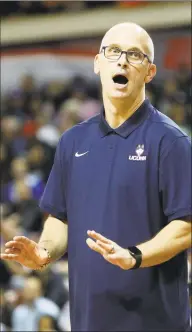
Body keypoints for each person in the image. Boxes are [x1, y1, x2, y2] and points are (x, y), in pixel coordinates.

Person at [1, 22, 191, 331]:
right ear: (97, 63)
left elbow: (185, 226)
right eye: (114, 52)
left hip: (154, 322)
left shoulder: (171, 142)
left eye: (135, 55)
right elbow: (59, 218)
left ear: (150, 72)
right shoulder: (72, 141)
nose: (123, 61)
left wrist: (135, 256)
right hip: (88, 321)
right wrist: (43, 251)